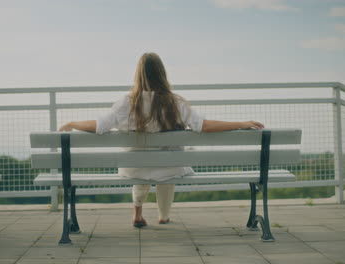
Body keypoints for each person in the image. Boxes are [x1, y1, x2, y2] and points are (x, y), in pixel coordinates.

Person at [59, 52, 264, 227]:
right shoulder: (174, 102)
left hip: (134, 167)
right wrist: (241, 123)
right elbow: (204, 126)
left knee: (141, 162)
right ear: (162, 74)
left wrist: (73, 124)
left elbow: (99, 126)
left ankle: (137, 213)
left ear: (138, 75)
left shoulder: (126, 103)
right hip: (169, 167)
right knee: (167, 165)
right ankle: (164, 216)